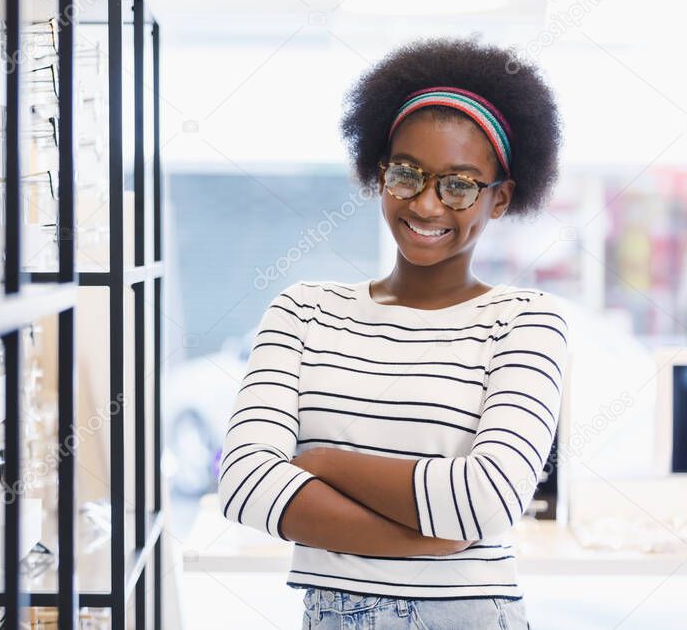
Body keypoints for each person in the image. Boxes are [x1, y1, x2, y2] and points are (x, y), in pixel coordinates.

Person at [217, 36, 567, 629]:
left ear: (500, 199)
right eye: (407, 175)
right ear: (381, 175)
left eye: (458, 184)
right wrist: (424, 541)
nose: (427, 204)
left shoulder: (526, 321)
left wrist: (320, 461)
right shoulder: (304, 312)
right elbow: (245, 482)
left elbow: (487, 499)